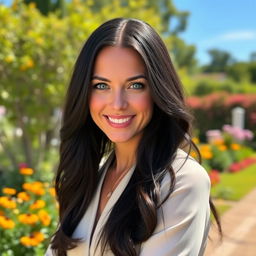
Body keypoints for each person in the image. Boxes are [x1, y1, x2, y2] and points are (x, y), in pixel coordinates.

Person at [46, 18, 221, 256]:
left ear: (158, 90)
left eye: (135, 85)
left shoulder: (183, 182)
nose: (117, 104)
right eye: (101, 85)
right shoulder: (89, 176)